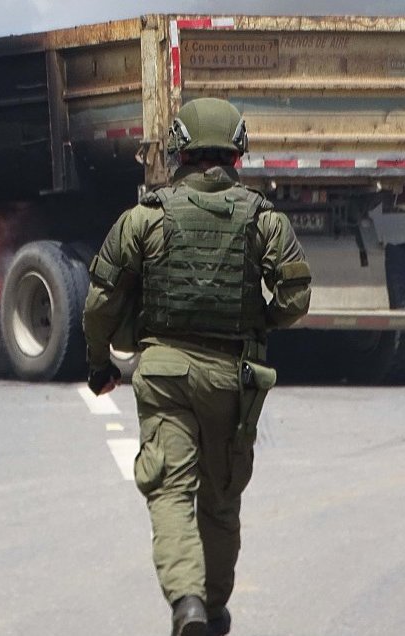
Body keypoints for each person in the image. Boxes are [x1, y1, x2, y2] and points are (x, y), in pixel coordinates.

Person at [82, 98, 312, 636]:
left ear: (179, 148)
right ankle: (213, 605)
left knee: (169, 490)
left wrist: (101, 364)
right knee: (221, 497)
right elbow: (295, 297)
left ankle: (186, 602)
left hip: (163, 373)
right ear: (237, 148)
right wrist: (262, 322)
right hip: (233, 377)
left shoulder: (145, 217)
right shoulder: (264, 219)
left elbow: (99, 304)